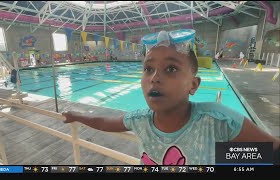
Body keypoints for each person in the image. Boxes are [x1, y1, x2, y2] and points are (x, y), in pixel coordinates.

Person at [62, 30, 280, 165]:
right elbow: (105, 122)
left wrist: (222, 157)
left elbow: (272, 150)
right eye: (148, 69)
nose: (155, 78)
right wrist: (77, 116)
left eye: (171, 69)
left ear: (193, 85)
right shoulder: (140, 120)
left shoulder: (217, 120)